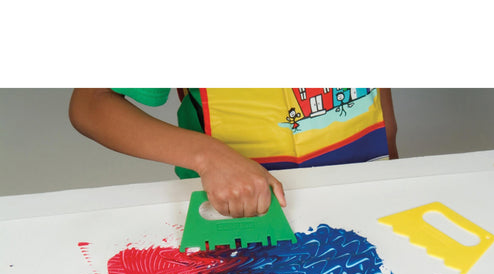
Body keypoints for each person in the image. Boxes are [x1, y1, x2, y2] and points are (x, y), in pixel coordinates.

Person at [69, 88, 398, 218]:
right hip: (235, 206)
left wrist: (394, 160)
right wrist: (207, 157)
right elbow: (90, 105)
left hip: (364, 185)